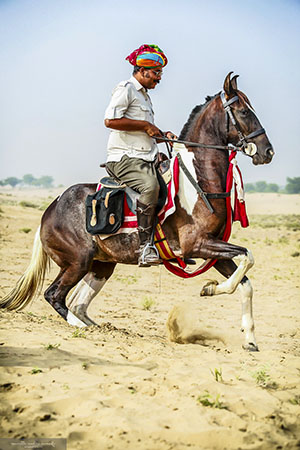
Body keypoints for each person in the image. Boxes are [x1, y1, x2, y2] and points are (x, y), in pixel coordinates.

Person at [104, 44, 177, 267]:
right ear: (142, 71)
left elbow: (143, 131)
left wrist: (161, 134)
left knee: (172, 187)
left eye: (161, 74)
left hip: (144, 157)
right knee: (150, 187)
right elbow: (110, 121)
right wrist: (146, 125)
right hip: (123, 158)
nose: (159, 78)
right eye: (156, 73)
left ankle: (170, 243)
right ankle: (145, 248)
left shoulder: (144, 96)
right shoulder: (126, 88)